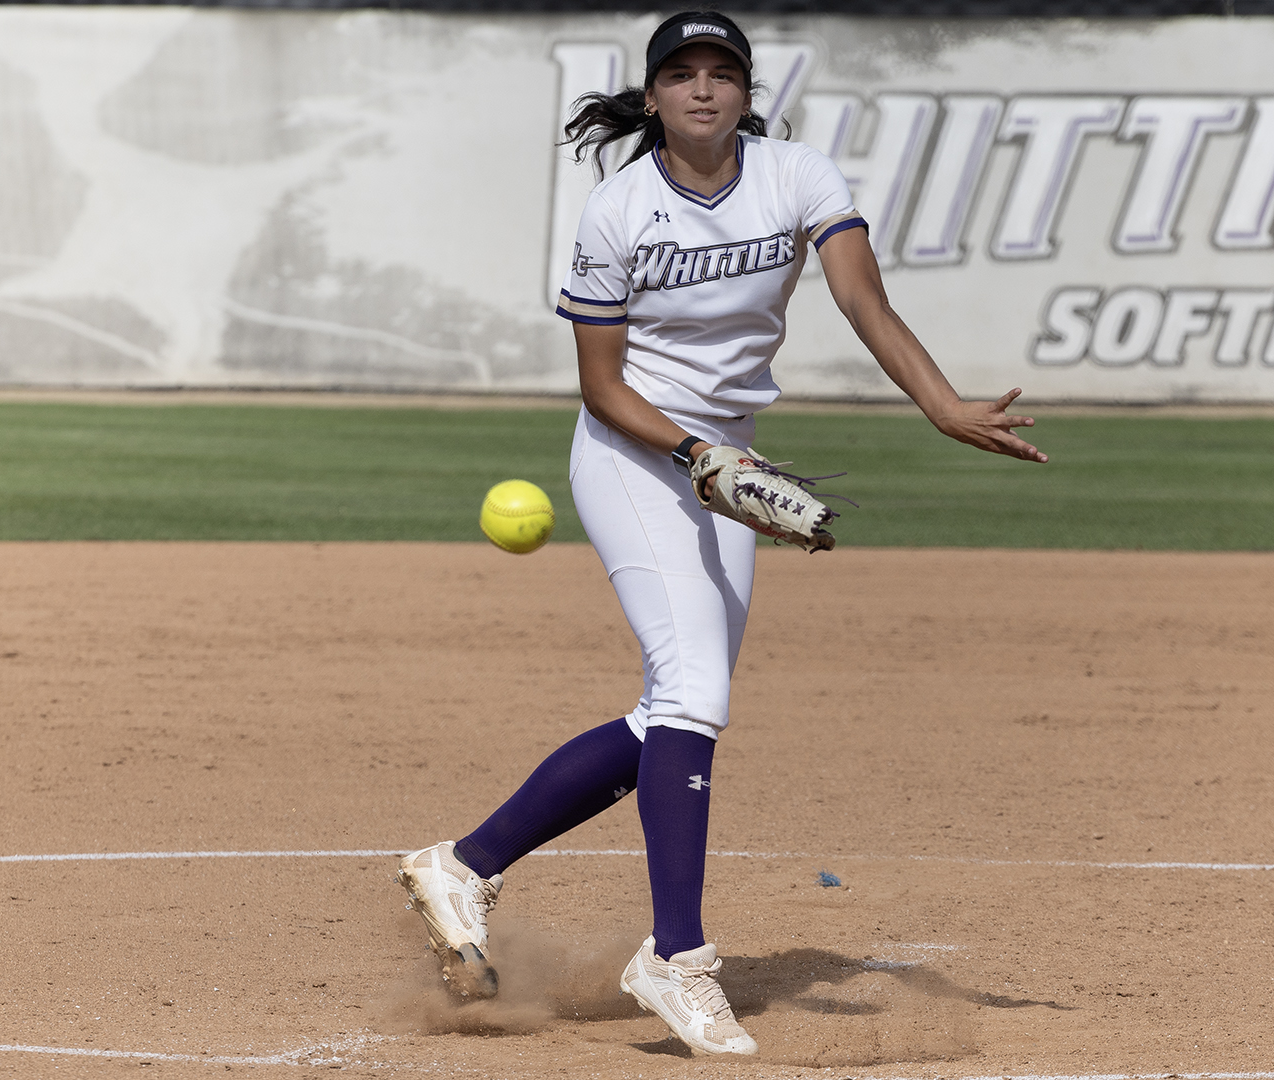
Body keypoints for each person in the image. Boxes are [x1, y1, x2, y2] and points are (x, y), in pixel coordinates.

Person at [396, 9, 1044, 1057]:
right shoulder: (618, 210)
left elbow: (862, 300)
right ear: (651, 98)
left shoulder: (799, 177)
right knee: (693, 694)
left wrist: (941, 404)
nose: (704, 88)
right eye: (682, 74)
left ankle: (463, 866)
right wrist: (702, 458)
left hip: (726, 463)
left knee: (676, 709)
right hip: (636, 455)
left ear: (748, 94)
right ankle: (678, 958)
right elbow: (603, 388)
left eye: (723, 73)